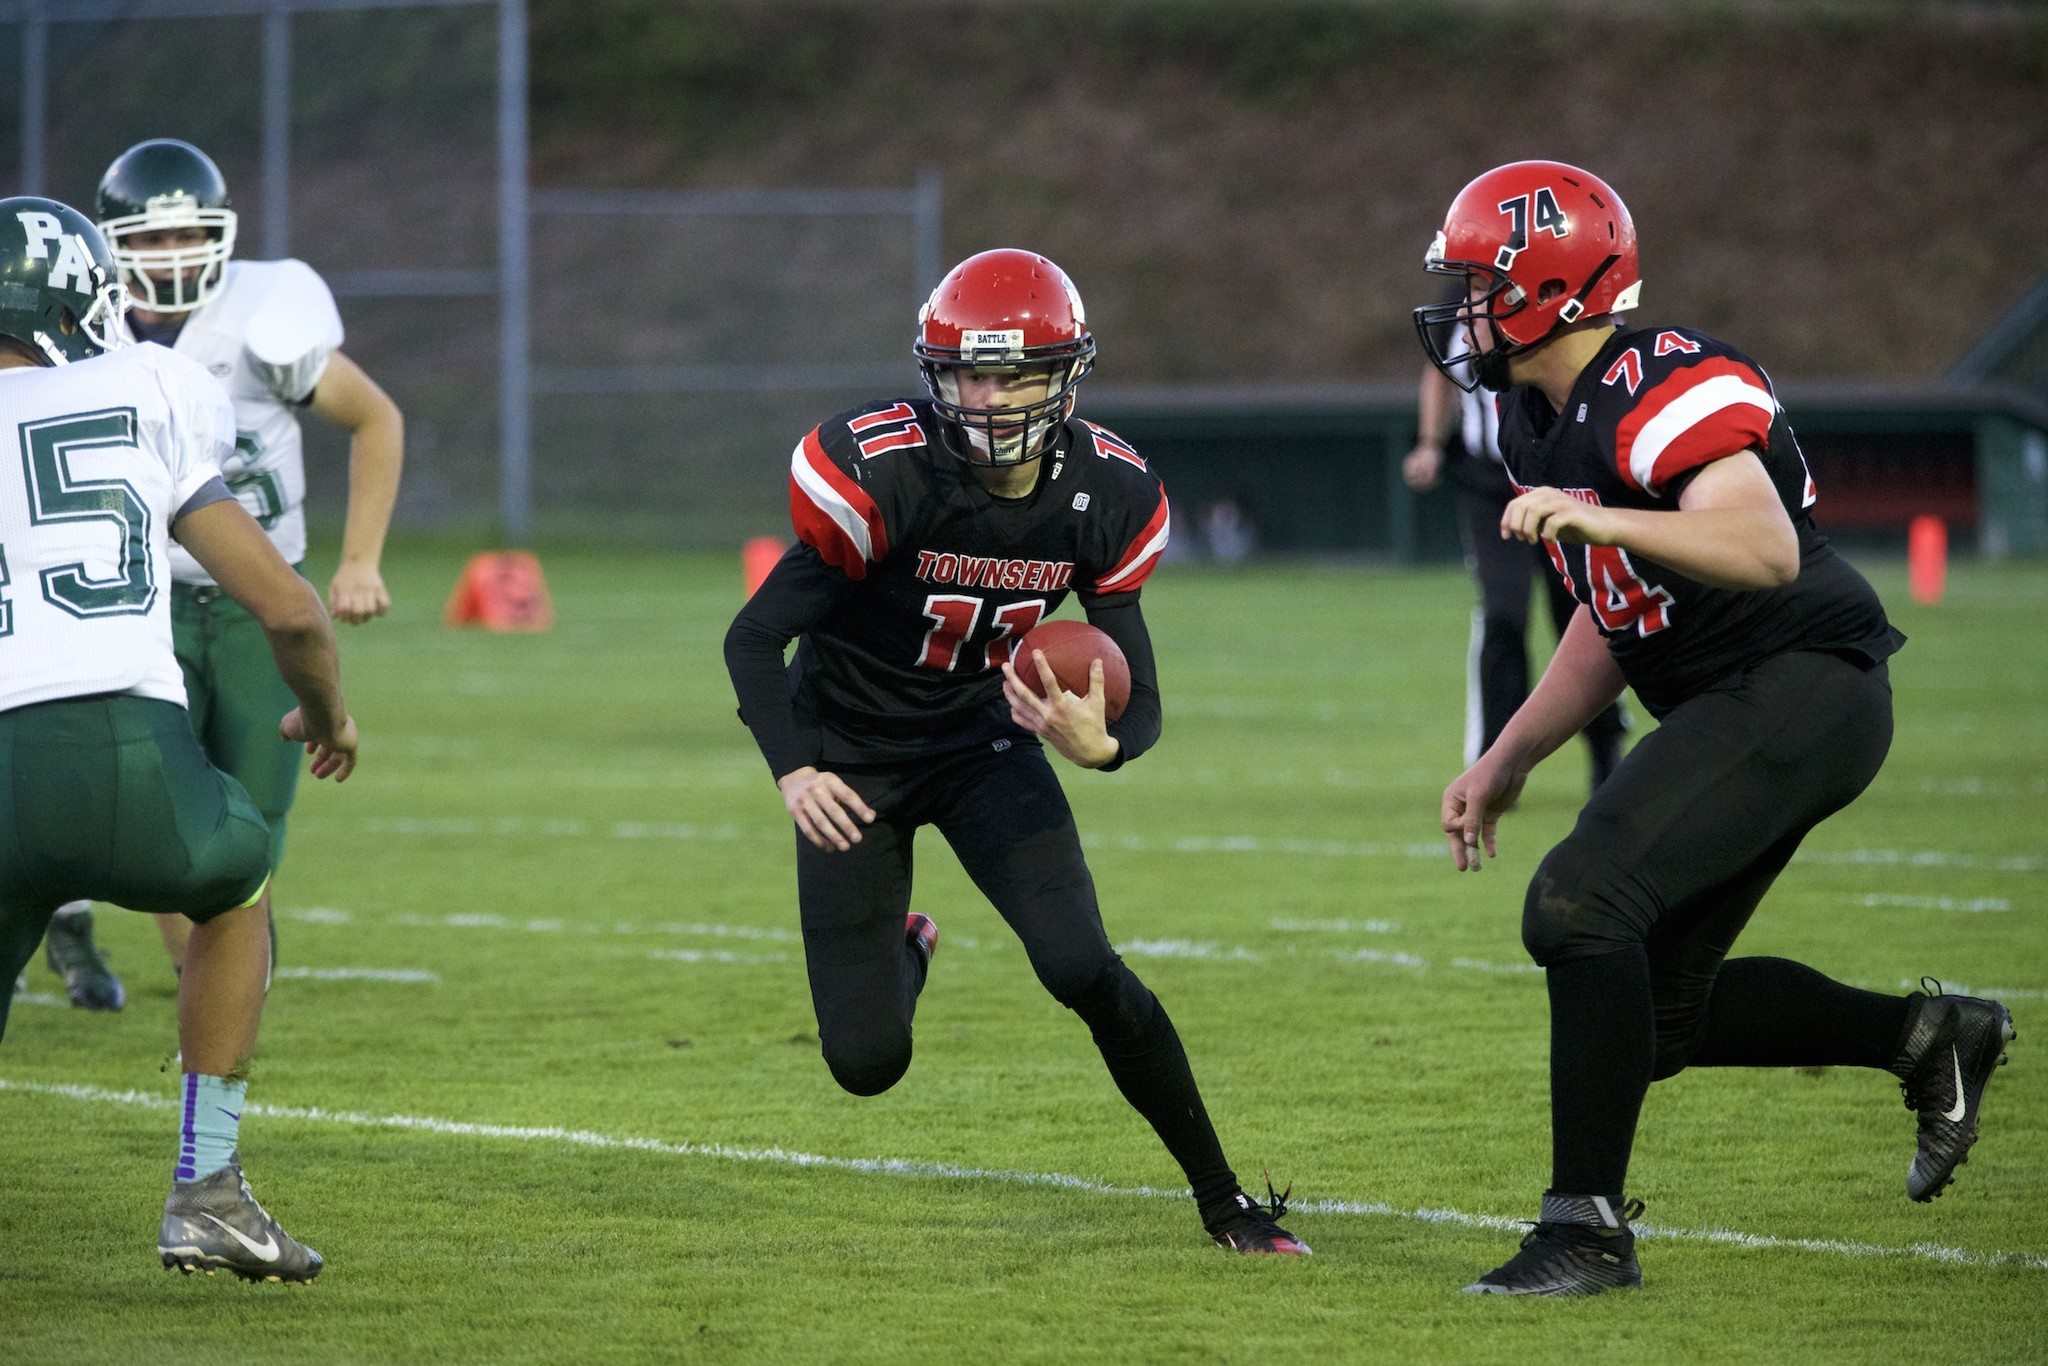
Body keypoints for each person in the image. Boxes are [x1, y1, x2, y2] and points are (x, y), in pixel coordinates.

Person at [1417, 161, 2015, 1296]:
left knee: (1576, 900)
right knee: (1660, 1013)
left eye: (1476, 285)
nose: (1456, 312)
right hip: (1730, 694)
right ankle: (1927, 1035)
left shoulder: (1655, 377)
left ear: (1548, 290)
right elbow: (1615, 615)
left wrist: (1609, 522)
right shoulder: (1534, 423)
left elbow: (1760, 548)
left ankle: (1583, 1232)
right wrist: (1505, 757)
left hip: (1801, 677)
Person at [724, 248, 1306, 1255]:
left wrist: (1102, 745)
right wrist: (795, 766)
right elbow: (750, 638)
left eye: (1010, 374)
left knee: (1082, 963)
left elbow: (1140, 695)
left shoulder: (1106, 494)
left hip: (981, 739)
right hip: (850, 755)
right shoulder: (883, 471)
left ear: (1064, 375)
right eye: (963, 373)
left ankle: (1225, 1203)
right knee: (865, 1062)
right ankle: (906, 944)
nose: (983, 397)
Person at [0, 197, 357, 1281]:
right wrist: (328, 716)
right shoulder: (147, 383)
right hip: (130, 751)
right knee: (236, 881)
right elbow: (291, 607)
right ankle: (205, 1186)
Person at [35, 139, 402, 1008]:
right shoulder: (76, 329)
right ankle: (175, 960)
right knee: (161, 792)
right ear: (112, 242)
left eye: (188, 235)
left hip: (255, 595)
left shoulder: (265, 322)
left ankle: (202, 947)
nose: (172, 256)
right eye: (151, 241)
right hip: (139, 596)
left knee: (259, 797)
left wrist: (359, 560)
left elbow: (376, 418)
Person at [1403, 327, 1626, 788]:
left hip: (1553, 475)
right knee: (1504, 611)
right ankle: (1495, 759)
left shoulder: (1540, 293)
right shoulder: (1458, 301)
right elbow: (1438, 371)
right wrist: (1429, 441)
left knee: (1582, 609)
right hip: (1487, 484)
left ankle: (1606, 750)